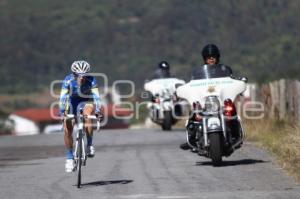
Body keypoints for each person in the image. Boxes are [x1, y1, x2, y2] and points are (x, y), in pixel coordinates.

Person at [180, 44, 233, 150]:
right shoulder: (199, 73)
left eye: (213, 57)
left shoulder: (224, 70)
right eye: (209, 57)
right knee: (194, 111)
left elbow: (231, 81)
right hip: (205, 100)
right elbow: (192, 84)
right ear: (205, 59)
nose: (211, 59)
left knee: (232, 108)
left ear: (217, 57)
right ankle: (192, 137)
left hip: (220, 99)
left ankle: (235, 132)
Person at [60, 60, 102, 172]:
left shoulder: (92, 80)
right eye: (78, 76)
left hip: (87, 100)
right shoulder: (68, 80)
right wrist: (63, 111)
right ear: (73, 74)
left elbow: (97, 97)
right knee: (67, 126)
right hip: (72, 101)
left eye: (84, 76)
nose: (82, 78)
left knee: (88, 115)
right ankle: (69, 157)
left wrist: (98, 111)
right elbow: (63, 97)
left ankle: (89, 145)